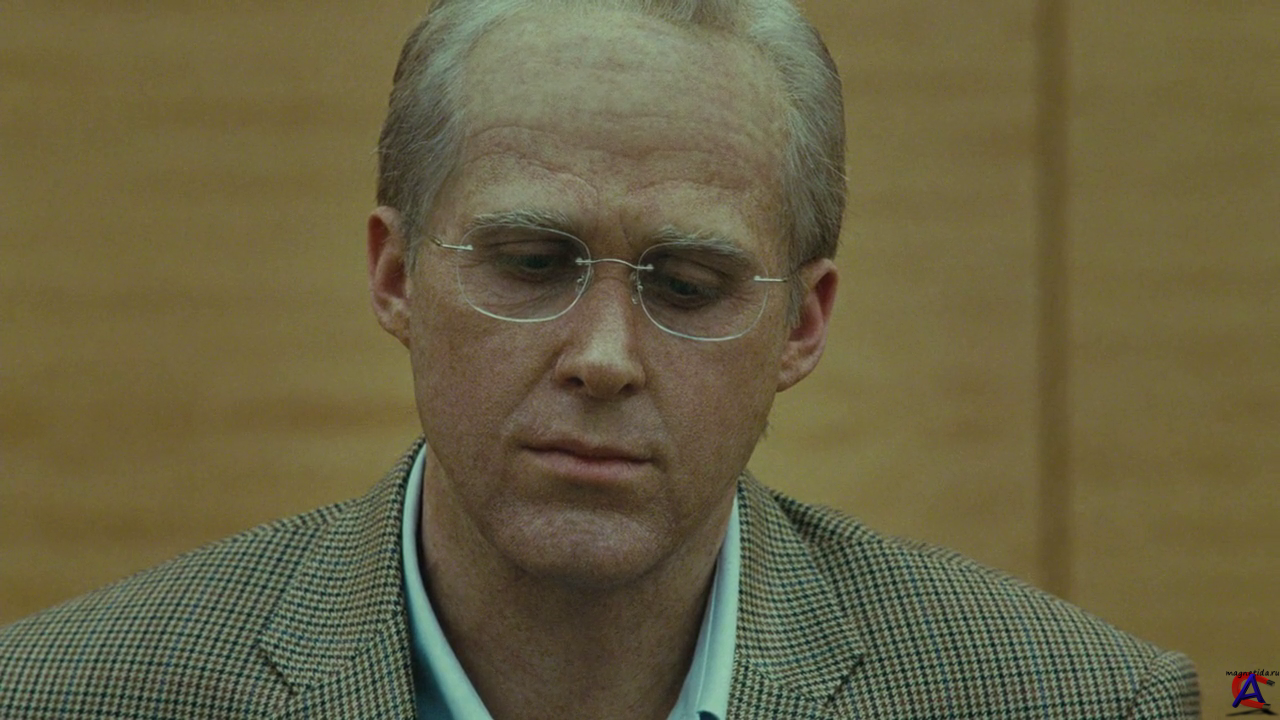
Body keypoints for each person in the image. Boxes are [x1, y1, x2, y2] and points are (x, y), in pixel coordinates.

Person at [0, 0, 1199, 718]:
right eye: (530, 263)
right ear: (394, 275)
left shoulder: (1073, 702)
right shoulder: (65, 696)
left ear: (801, 326)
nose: (605, 357)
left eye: (687, 285)